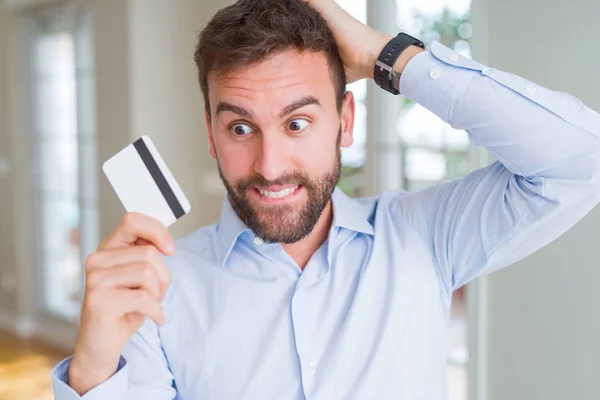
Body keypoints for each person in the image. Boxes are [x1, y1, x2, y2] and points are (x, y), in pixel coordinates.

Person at [52, 0, 600, 398]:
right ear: (211, 133)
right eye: (241, 129)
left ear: (346, 121)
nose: (269, 167)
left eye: (297, 122)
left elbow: (579, 159)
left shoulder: (424, 238)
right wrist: (95, 371)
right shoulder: (152, 293)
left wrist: (390, 56)